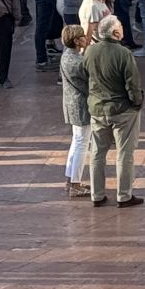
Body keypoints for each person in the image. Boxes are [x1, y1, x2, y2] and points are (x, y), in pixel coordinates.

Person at [83, 15, 144, 207]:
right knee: (124, 153)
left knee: (97, 153)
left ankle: (97, 194)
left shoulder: (90, 51)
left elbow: (85, 75)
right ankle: (124, 195)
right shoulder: (123, 53)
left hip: (97, 108)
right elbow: (132, 84)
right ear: (116, 32)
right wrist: (137, 102)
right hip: (122, 110)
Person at [58, 25, 91, 197]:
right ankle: (75, 184)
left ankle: (71, 180)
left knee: (76, 142)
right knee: (81, 144)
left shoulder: (67, 56)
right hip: (81, 106)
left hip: (72, 104)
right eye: (83, 36)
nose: (86, 38)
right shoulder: (78, 62)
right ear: (77, 40)